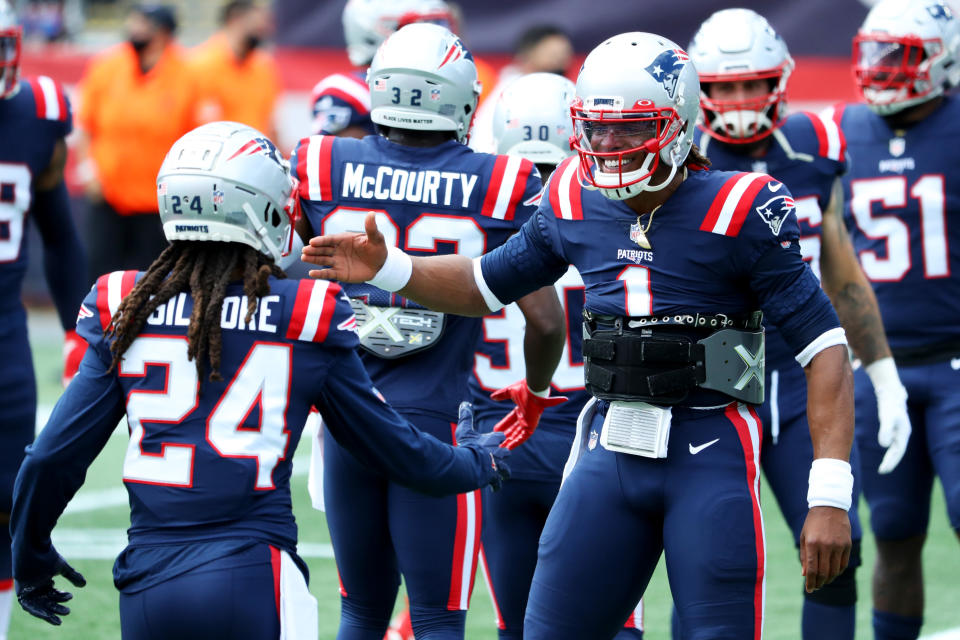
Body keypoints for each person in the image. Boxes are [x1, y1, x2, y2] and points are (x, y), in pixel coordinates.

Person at [304, 31, 857, 639]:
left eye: (630, 128)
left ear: (678, 124)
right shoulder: (572, 194)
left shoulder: (742, 206)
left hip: (709, 446)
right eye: (597, 128)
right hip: (608, 446)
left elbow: (824, 347)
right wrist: (392, 269)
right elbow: (486, 283)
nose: (609, 144)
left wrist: (829, 491)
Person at [8, 121, 509, 640]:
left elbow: (50, 457)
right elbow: (395, 451)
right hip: (253, 573)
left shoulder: (125, 304)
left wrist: (31, 552)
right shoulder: (304, 312)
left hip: (146, 583)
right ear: (263, 208)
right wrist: (477, 459)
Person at [294, 23, 564, 640]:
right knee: (437, 617)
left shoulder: (320, 160)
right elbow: (547, 321)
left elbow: (284, 273)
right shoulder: (499, 181)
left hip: (349, 414)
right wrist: (538, 390)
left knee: (360, 611)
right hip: (439, 419)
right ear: (463, 101)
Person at [684, 9, 913, 640]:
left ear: (780, 79)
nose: (737, 99)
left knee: (836, 553)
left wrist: (885, 373)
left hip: (802, 374)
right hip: (708, 384)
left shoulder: (816, 144)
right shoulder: (679, 157)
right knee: (705, 566)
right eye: (724, 87)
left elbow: (840, 270)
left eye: (752, 83)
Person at [472, 71, 644, 640]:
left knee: (519, 628)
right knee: (613, 625)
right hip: (598, 438)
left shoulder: (475, 218)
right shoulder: (613, 216)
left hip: (503, 439)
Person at [832, 1, 960, 638]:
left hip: (958, 362)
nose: (881, 70)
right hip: (879, 370)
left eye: (898, 56)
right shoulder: (843, 130)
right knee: (894, 533)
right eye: (874, 53)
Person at [0, 2, 88, 638]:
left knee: (6, 503)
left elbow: (59, 236)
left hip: (5, 346)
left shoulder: (37, 116)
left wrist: (73, 327)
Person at [75, 3, 199, 278]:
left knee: (149, 278)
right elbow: (85, 125)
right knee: (99, 274)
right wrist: (88, 171)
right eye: (134, 23)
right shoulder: (107, 66)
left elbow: (194, 139)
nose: (135, 30)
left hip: (156, 202)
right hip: (107, 194)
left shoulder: (187, 75)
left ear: (164, 33)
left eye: (144, 25)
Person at [310, 0, 457, 138]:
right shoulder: (351, 91)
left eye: (439, 25)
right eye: (422, 29)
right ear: (374, 33)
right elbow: (341, 160)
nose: (437, 40)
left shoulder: (454, 83)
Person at [469, 25, 574, 154]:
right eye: (553, 55)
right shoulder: (509, 92)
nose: (559, 61)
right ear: (526, 57)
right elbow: (483, 143)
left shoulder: (568, 92)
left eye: (563, 55)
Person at [189, 0, 281, 139]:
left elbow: (270, 124)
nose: (263, 30)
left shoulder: (263, 67)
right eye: (256, 25)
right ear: (235, 20)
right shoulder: (201, 65)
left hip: (257, 155)